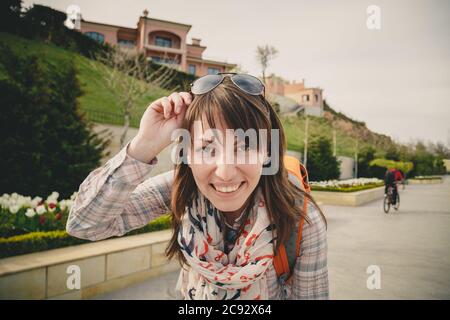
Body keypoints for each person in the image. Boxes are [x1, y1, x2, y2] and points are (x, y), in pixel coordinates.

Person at [66, 73, 329, 300]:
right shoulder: (182, 188)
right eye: (206, 148)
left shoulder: (300, 218)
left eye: (245, 147)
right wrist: (143, 145)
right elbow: (85, 224)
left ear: (268, 152)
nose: (225, 172)